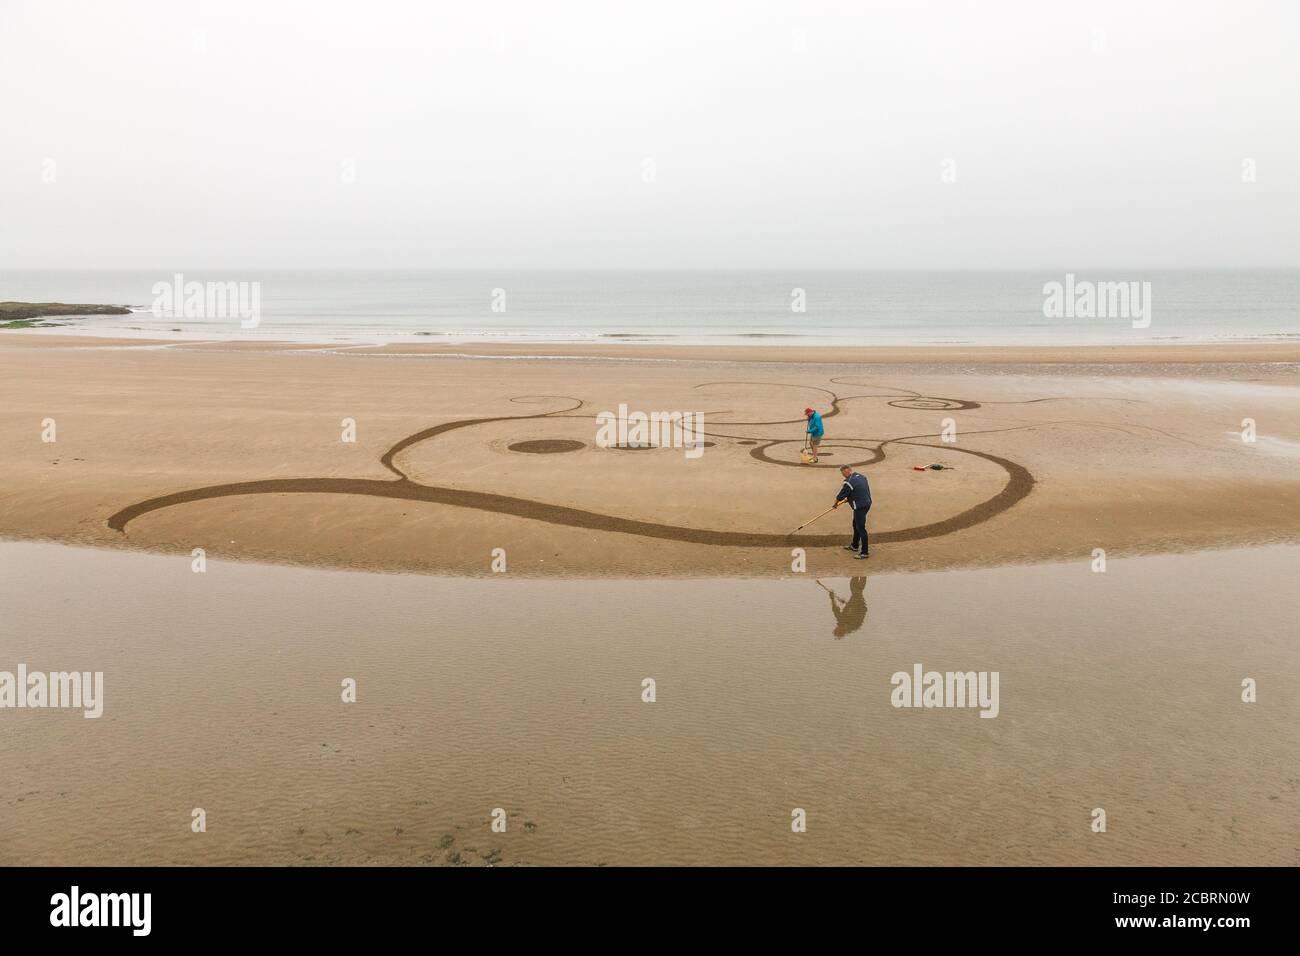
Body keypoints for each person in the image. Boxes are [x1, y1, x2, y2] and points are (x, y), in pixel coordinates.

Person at [832, 463, 872, 558]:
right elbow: (860, 489)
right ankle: (854, 545)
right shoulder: (861, 476)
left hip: (859, 506)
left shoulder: (848, 482)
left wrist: (835, 504)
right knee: (855, 524)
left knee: (861, 528)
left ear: (847, 470)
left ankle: (864, 552)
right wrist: (850, 498)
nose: (843, 475)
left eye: (843, 473)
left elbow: (840, 496)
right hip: (867, 502)